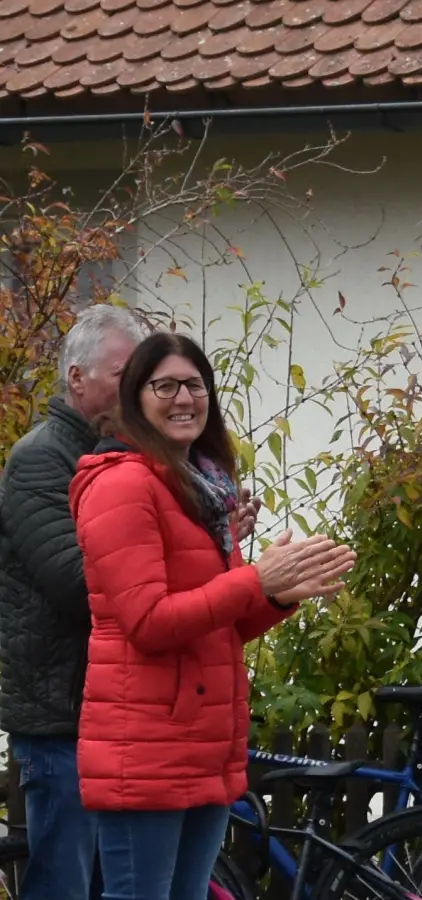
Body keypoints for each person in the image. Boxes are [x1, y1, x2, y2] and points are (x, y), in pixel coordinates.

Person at [68, 332, 355, 900]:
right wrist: (255, 580)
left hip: (202, 745)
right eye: (165, 386)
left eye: (195, 385)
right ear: (135, 398)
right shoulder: (122, 484)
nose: (183, 399)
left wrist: (277, 595)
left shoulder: (201, 489)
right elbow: (148, 622)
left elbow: (221, 625)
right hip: (146, 749)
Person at [0, 304, 148, 899]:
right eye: (123, 373)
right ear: (77, 377)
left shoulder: (120, 457)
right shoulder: (41, 458)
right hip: (62, 720)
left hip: (109, 714)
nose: (136, 387)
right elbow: (74, 580)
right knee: (65, 885)